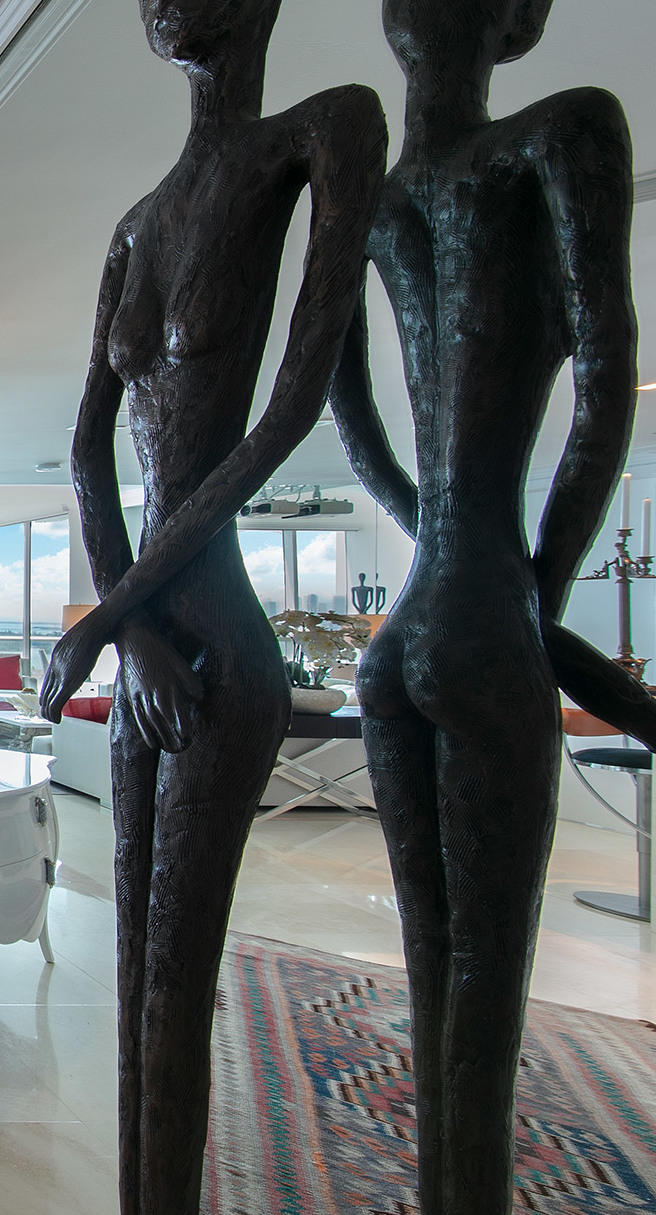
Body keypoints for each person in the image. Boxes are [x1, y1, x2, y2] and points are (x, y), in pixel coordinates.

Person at [35, 2, 385, 1210]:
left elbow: (289, 411)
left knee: (175, 993)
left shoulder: (323, 132)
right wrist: (126, 628)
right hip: (147, 639)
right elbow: (87, 451)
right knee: (132, 983)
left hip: (219, 639)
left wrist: (107, 616)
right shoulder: (134, 226)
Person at [325, 2, 640, 1209]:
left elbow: (355, 427)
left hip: (408, 625)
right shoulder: (558, 134)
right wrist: (521, 592)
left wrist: (457, 559)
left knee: (434, 971)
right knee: (483, 996)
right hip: (476, 606)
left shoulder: (374, 200)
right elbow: (604, 381)